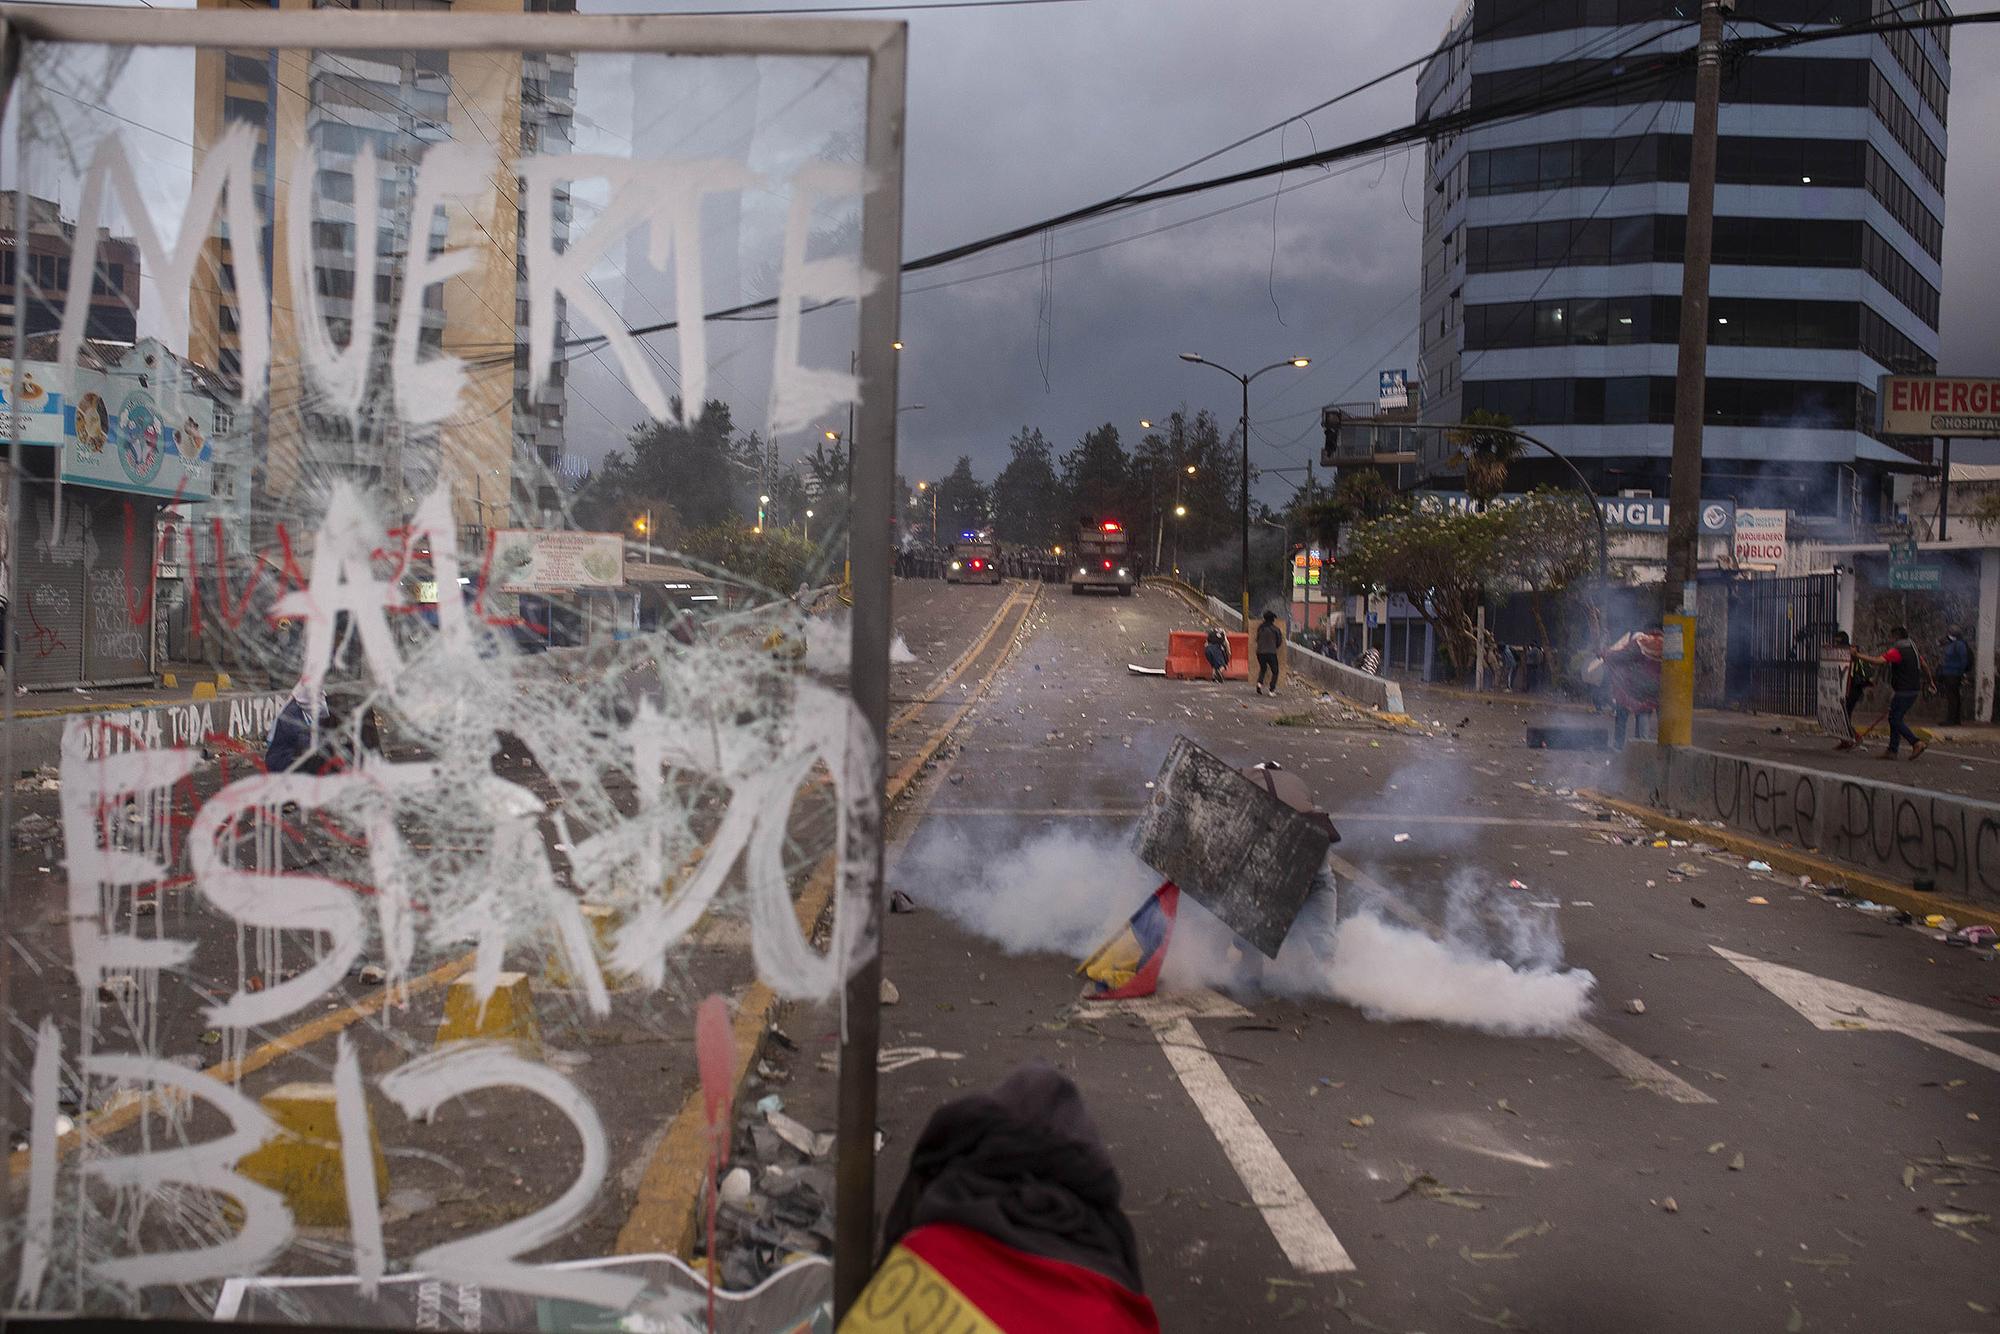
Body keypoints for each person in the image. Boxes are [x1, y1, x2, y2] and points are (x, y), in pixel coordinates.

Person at [1855, 625, 1927, 760]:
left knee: (1895, 719)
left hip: (1904, 691)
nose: (1890, 639)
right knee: (1894, 718)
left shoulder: (1897, 651)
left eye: (1892, 636)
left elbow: (1878, 661)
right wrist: (1930, 681)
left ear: (1896, 636)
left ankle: (1916, 742)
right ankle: (1892, 750)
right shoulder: (1913, 649)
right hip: (1913, 689)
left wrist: (1857, 655)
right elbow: (1924, 665)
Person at [1602, 626, 1664, 749]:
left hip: (1638, 687)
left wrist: (1606, 654)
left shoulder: (1640, 642)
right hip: (1658, 687)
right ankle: (1643, 746)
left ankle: (1631, 746)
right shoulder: (1663, 643)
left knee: (1632, 712)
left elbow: (1623, 656)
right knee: (1645, 713)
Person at [1829, 630, 1872, 750]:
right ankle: (1845, 740)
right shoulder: (1839, 652)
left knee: (1844, 716)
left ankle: (1855, 737)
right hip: (1843, 689)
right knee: (1841, 715)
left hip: (1852, 689)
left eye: (1838, 641)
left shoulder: (1851, 653)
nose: (1836, 643)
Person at [1938, 629, 1972, 727]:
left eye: (1950, 634)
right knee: (1954, 696)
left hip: (1953, 673)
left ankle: (1951, 719)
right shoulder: (1953, 644)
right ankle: (1955, 719)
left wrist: (1961, 673)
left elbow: (1963, 659)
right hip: (1951, 673)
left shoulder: (1959, 645)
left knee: (1952, 697)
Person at [1254, 611, 1282, 696]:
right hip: (1271, 653)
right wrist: (1274, 646)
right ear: (1273, 619)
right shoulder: (1276, 629)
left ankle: (1259, 683)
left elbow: (1257, 639)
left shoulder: (1260, 628)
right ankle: (1271, 690)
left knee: (1263, 668)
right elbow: (1279, 642)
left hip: (1260, 652)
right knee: (1275, 671)